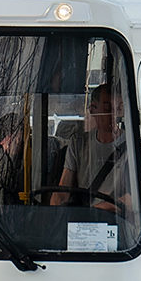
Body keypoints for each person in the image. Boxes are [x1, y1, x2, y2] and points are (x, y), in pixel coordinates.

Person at [54, 83, 131, 214]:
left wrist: (95, 211)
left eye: (118, 109)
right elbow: (63, 190)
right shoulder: (78, 143)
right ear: (93, 109)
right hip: (83, 217)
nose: (114, 116)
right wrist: (54, 214)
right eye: (108, 109)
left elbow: (130, 199)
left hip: (115, 219)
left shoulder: (131, 146)